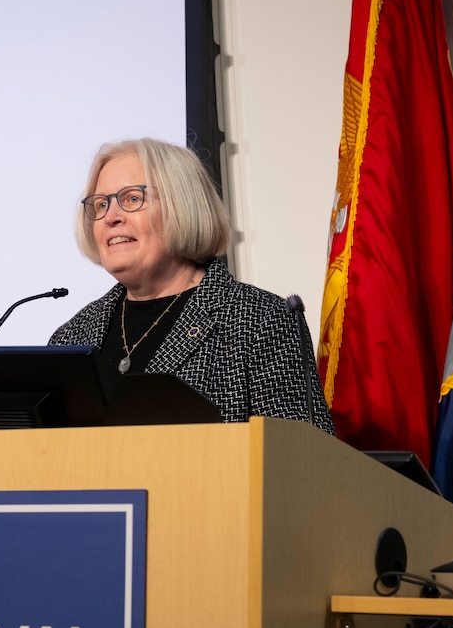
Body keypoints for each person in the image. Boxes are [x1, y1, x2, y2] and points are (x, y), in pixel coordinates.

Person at [49, 137, 334, 433]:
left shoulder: (260, 321)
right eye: (100, 204)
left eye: (132, 199)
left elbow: (301, 460)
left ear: (183, 205)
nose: (111, 217)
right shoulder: (71, 338)